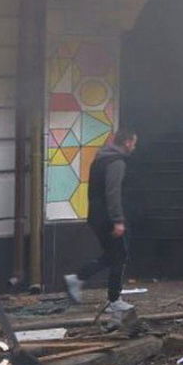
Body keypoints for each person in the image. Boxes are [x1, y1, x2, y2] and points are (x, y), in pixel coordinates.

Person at [64, 128, 138, 310]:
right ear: (127, 142)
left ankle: (77, 278)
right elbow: (112, 193)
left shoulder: (101, 158)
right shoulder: (116, 162)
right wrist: (118, 220)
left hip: (96, 216)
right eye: (134, 143)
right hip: (108, 218)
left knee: (112, 255)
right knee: (119, 255)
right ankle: (114, 300)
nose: (134, 147)